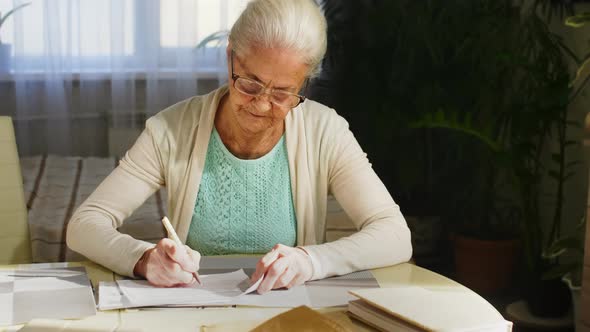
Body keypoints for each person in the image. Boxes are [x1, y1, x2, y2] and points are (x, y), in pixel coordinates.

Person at [66, 0, 412, 294]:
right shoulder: (171, 129)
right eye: (249, 83)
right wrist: (143, 259)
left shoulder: (326, 131)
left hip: (288, 317)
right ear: (230, 55)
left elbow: (395, 235)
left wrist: (311, 260)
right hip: (194, 312)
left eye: (282, 93)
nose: (261, 105)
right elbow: (85, 224)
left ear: (304, 83)